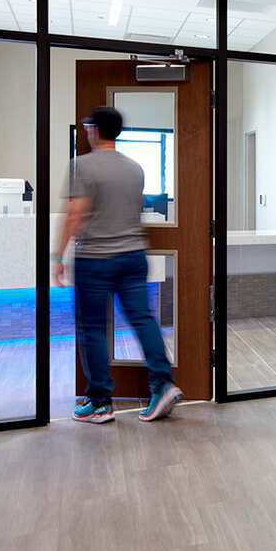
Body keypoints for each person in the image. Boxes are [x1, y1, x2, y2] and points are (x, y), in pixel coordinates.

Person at [54, 106, 183, 424]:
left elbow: (76, 213)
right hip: (133, 256)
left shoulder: (81, 165)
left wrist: (59, 256)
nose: (86, 131)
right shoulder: (135, 168)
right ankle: (163, 383)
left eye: (87, 127)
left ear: (95, 129)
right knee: (142, 319)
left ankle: (99, 402)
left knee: (93, 329)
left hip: (95, 259)